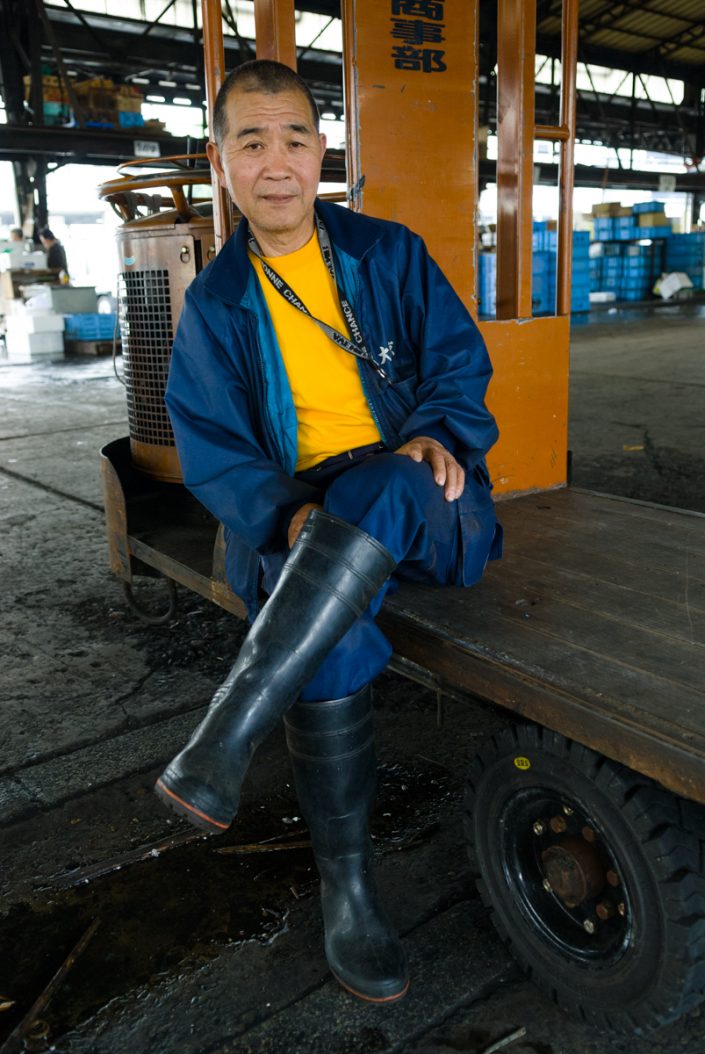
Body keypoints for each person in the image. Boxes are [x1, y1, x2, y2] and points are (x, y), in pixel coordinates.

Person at [155, 59, 502, 1005]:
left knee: (383, 484)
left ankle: (223, 740)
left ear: (322, 153)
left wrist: (436, 433)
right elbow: (213, 449)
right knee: (331, 621)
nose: (276, 164)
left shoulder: (388, 254)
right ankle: (348, 889)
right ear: (221, 161)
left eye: (294, 139)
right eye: (251, 142)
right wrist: (286, 513)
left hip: (425, 497)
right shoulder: (217, 303)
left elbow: (458, 366)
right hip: (303, 516)